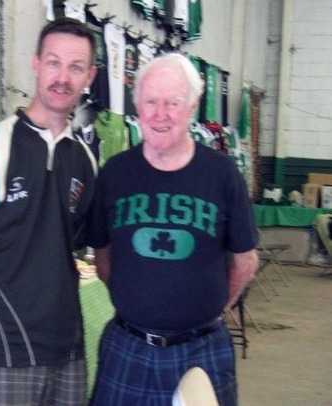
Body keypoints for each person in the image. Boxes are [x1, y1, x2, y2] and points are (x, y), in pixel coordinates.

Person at [0, 18, 98, 406]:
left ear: (89, 76)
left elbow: (68, 250)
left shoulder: (85, 161)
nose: (63, 77)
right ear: (36, 64)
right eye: (54, 63)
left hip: (67, 353)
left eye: (76, 67)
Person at [88, 53, 259, 406]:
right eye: (150, 101)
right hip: (128, 346)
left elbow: (245, 263)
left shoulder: (222, 175)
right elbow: (103, 258)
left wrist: (206, 310)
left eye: (173, 103)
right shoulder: (115, 174)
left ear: (193, 107)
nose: (160, 114)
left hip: (202, 349)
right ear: (136, 104)